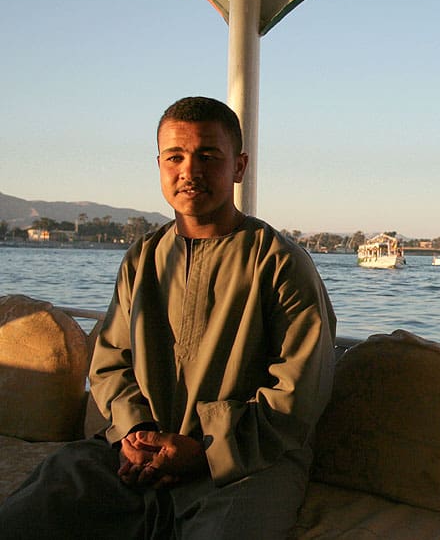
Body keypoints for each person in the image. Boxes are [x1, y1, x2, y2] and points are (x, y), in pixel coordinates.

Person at [0, 96, 336, 539]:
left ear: (238, 166)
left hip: (245, 464)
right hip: (135, 454)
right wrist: (134, 431)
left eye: (208, 156)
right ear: (159, 165)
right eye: (174, 157)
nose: (189, 171)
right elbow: (110, 361)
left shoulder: (279, 264)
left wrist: (206, 449)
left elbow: (300, 391)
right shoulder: (143, 259)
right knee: (38, 506)